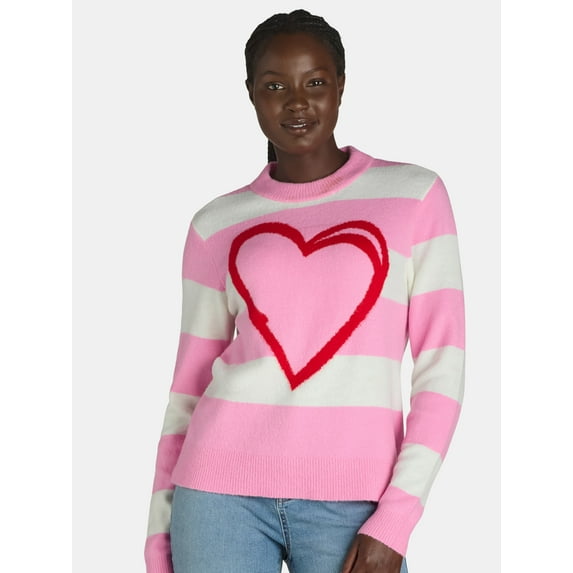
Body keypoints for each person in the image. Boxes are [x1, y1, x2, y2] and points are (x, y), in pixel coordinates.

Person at [144, 9, 465, 573]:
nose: (296, 102)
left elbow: (442, 368)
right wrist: (158, 535)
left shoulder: (413, 196)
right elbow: (187, 387)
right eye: (275, 86)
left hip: (356, 504)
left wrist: (396, 518)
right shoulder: (215, 224)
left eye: (315, 82)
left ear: (340, 85)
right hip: (217, 494)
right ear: (250, 93)